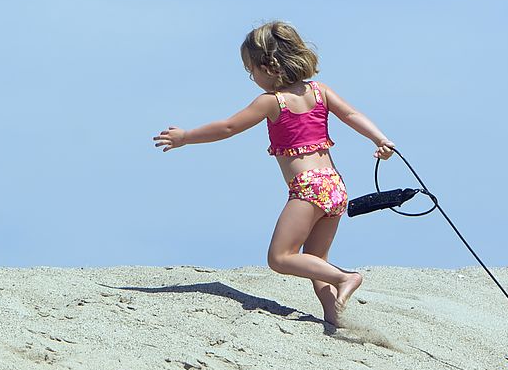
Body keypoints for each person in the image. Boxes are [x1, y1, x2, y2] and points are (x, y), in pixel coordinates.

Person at [153, 21, 394, 326]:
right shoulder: (320, 92)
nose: (251, 77)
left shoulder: (272, 102)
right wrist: (380, 139)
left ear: (269, 67)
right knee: (313, 260)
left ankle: (346, 278)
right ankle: (336, 316)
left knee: (280, 257)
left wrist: (186, 136)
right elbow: (351, 114)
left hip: (309, 189)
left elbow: (228, 127)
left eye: (251, 70)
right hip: (335, 187)